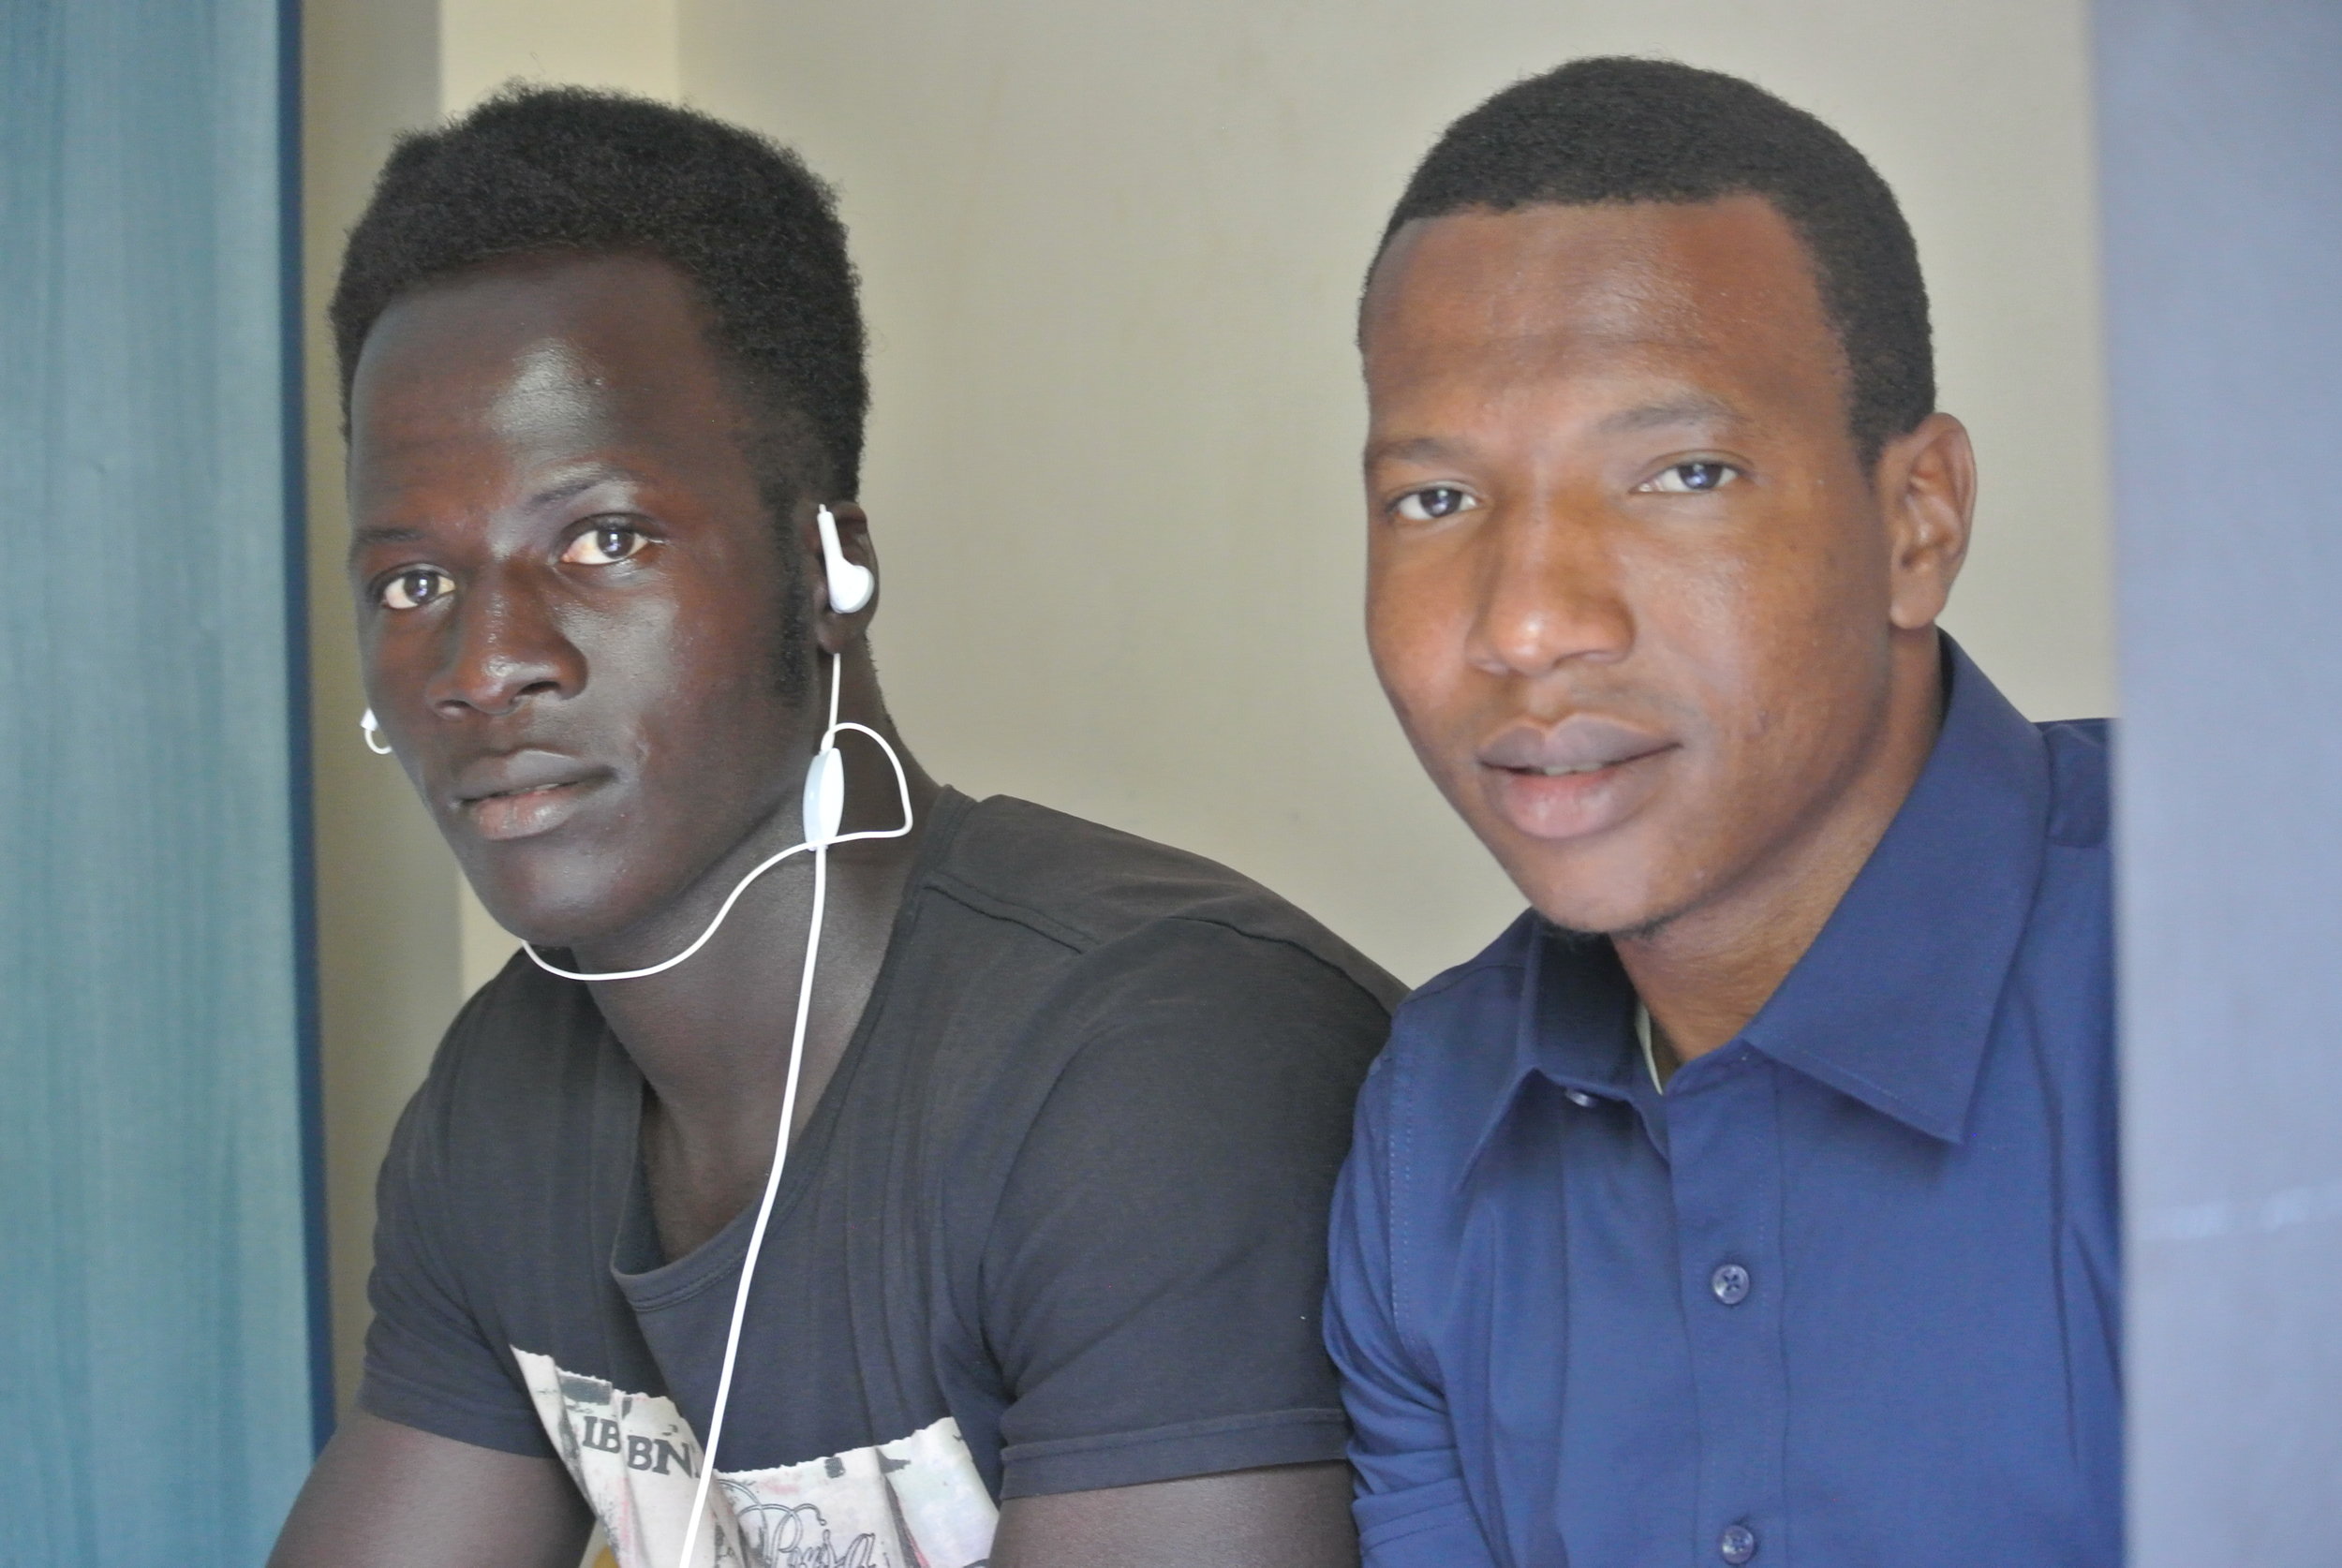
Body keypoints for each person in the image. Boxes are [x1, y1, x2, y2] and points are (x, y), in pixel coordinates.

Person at [270, 87, 1398, 1568]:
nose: (486, 666)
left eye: (604, 540)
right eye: (414, 583)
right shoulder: (503, 1107)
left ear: (829, 569)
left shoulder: (1154, 1061)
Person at [1325, 57, 2117, 1568]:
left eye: (1680, 473)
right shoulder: (1435, 1120)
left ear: (1917, 519)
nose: (1531, 624)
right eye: (1437, 500)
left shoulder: (2253, 968)